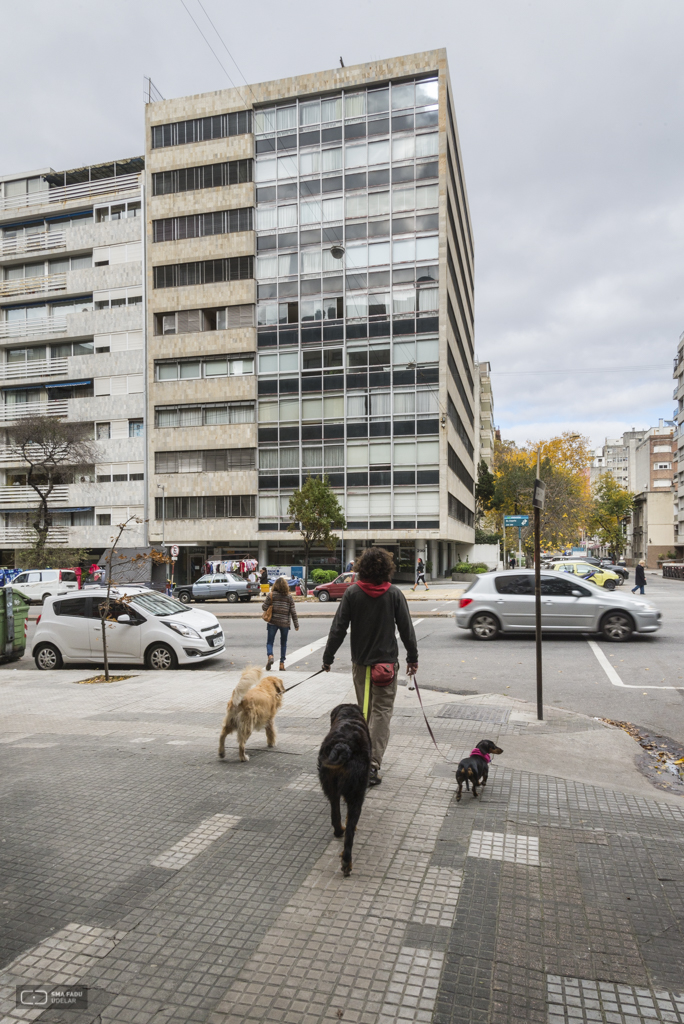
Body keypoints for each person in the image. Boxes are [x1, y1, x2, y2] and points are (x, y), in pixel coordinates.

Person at [322, 547, 418, 787]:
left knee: (364, 713)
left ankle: (356, 761)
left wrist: (328, 657)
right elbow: (407, 629)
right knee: (382, 713)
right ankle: (372, 766)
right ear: (387, 568)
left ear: (361, 568)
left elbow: (338, 629)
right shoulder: (394, 594)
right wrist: (412, 658)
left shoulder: (352, 593)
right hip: (386, 667)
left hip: (361, 666)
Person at [262, 575, 299, 671]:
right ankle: (282, 664)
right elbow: (293, 612)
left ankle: (270, 656)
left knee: (270, 642)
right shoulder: (289, 597)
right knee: (283, 643)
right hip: (285, 623)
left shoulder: (271, 595)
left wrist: (269, 603)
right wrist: (296, 625)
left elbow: (264, 608)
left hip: (272, 622)